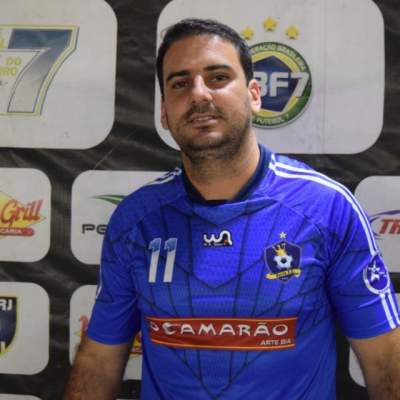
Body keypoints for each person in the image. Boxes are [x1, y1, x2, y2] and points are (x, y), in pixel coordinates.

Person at [64, 18, 400, 400]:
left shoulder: (327, 209)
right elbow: (100, 361)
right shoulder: (135, 220)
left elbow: (385, 361)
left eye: (218, 77)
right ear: (164, 112)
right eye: (180, 83)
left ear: (254, 95)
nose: (199, 94)